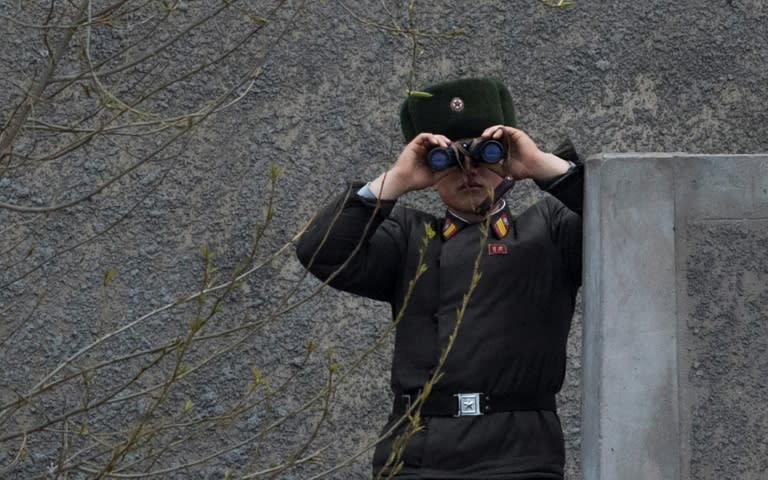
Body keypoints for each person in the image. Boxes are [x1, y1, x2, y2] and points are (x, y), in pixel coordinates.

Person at [296, 78, 583, 479]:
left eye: (485, 154)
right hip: (416, 457)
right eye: (446, 159)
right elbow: (320, 250)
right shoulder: (410, 239)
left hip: (521, 457)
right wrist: (396, 179)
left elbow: (626, 221)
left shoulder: (550, 232)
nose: (469, 171)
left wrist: (540, 165)